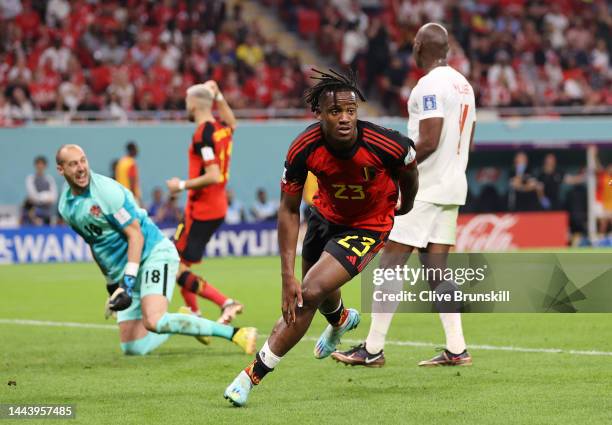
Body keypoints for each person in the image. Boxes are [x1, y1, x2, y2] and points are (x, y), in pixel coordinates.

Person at [223, 68, 418, 406]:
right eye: (335, 111)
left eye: (350, 111)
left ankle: (250, 376)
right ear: (319, 114)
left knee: (310, 291)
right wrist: (285, 275)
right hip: (324, 217)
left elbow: (409, 165)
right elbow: (287, 209)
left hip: (368, 226)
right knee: (313, 289)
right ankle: (341, 320)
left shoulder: (385, 143)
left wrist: (407, 203)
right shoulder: (303, 147)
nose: (344, 118)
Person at [332, 23, 476, 368]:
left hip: (424, 188)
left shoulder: (429, 85)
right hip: (453, 184)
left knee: (390, 264)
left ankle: (372, 349)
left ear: (420, 46)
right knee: (436, 269)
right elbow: (467, 139)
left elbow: (429, 138)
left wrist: (393, 169)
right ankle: (457, 349)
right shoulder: (463, 84)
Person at [56, 144, 257, 356]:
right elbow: (95, 244)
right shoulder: (66, 207)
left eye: (83, 161)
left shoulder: (106, 192)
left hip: (153, 253)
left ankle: (237, 333)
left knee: (153, 320)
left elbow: (135, 235)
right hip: (126, 268)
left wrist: (128, 282)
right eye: (73, 164)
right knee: (132, 347)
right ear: (61, 169)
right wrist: (112, 285)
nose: (81, 168)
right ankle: (183, 318)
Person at [166, 80, 243, 323]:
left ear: (194, 105)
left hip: (201, 209)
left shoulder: (203, 134)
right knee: (179, 262)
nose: (186, 107)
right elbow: (233, 123)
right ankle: (194, 314)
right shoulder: (221, 127)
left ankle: (226, 303)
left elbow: (213, 175)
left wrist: (180, 185)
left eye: (187, 103)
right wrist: (219, 95)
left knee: (173, 265)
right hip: (216, 206)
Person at [25, 156, 58, 225]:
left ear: (45, 166)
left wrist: (42, 198)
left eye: (42, 164)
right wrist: (46, 197)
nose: (40, 166)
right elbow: (33, 196)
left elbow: (54, 197)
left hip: (48, 211)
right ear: (35, 165)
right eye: (38, 164)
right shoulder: (31, 179)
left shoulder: (49, 179)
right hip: (35, 211)